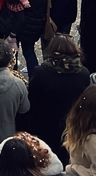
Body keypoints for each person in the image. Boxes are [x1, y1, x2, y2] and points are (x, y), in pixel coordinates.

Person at [18, 34, 91, 163]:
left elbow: (32, 101)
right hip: (70, 124)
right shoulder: (83, 74)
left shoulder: (41, 72)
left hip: (44, 123)